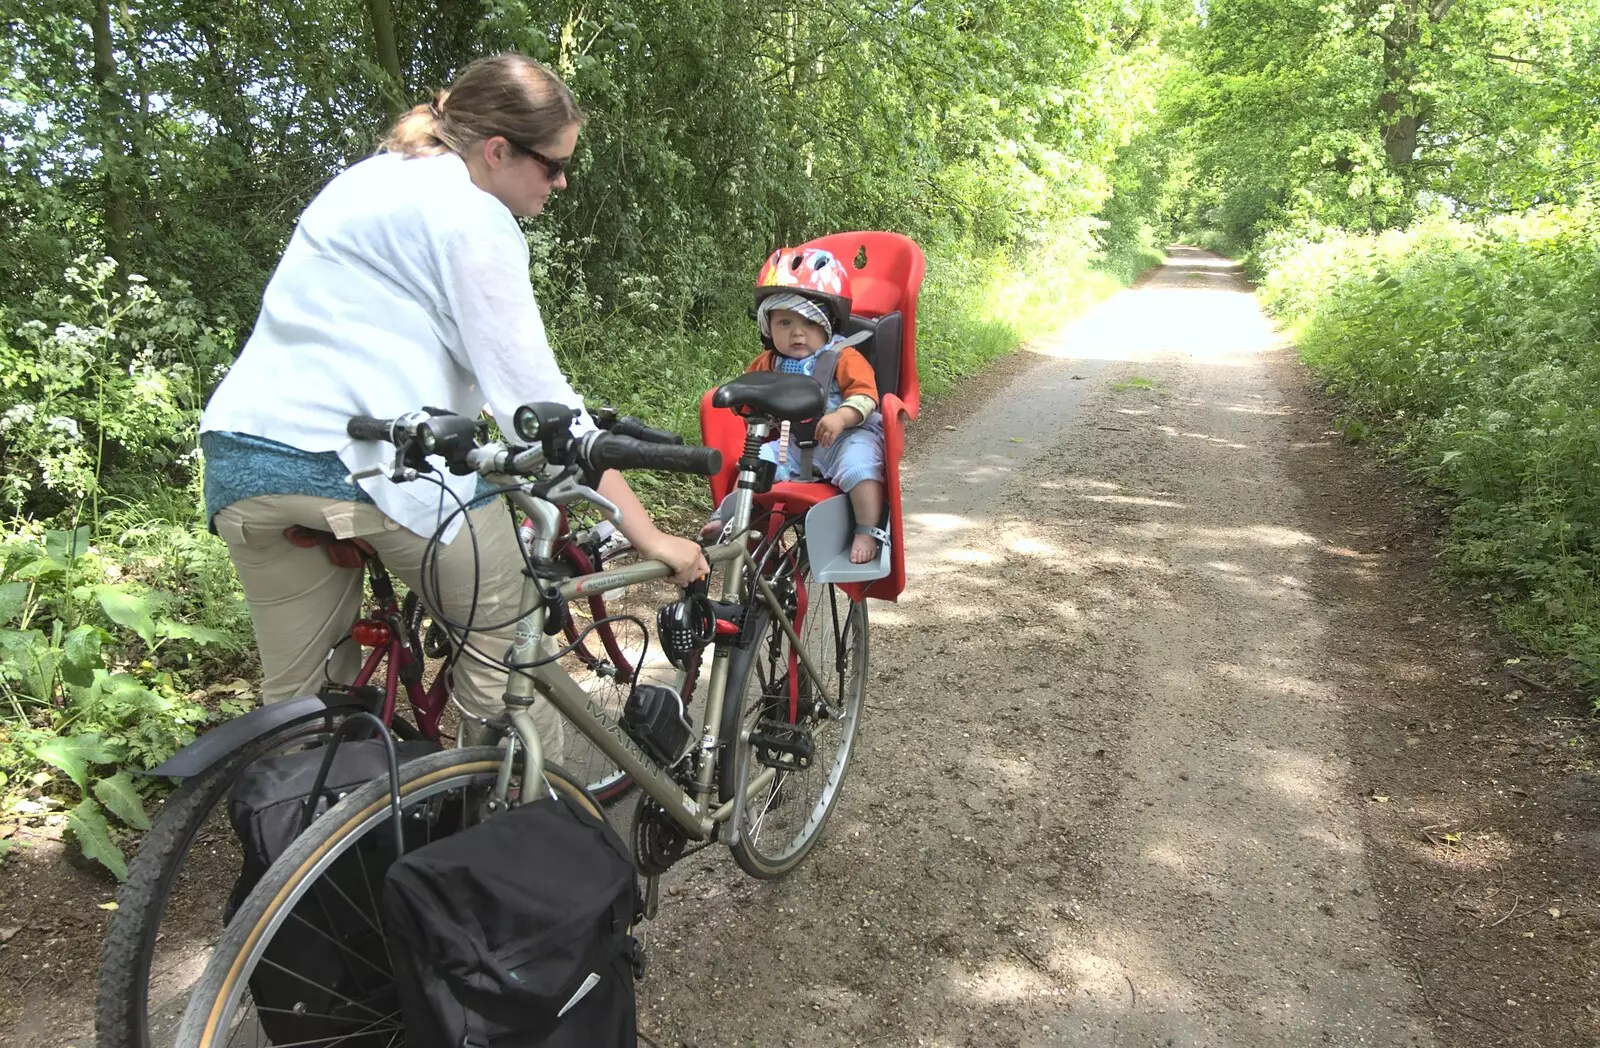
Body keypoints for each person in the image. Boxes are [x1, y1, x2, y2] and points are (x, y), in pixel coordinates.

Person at [198, 53, 707, 748]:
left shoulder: (364, 181)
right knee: (509, 665)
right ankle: (511, 834)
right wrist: (651, 535)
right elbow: (541, 405)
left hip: (245, 463)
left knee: (298, 710)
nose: (559, 182)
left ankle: (303, 845)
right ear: (498, 150)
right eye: (553, 164)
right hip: (377, 473)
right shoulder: (473, 215)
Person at [705, 247, 888, 563]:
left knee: (861, 467)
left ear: (828, 324)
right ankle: (730, 516)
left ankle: (866, 528)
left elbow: (866, 395)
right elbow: (750, 393)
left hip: (843, 439)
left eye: (809, 322)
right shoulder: (768, 362)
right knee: (753, 463)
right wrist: (743, 405)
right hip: (787, 444)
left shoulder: (842, 357)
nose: (797, 333)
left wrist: (842, 418)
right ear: (767, 327)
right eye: (785, 323)